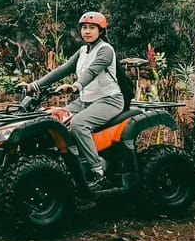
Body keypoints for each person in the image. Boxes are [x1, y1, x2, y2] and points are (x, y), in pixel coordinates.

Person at [17, 11, 123, 190]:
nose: (87, 31)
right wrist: (33, 85)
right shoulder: (83, 50)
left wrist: (75, 87)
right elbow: (62, 70)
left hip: (109, 100)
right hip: (85, 101)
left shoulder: (105, 50)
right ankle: (69, 162)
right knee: (55, 118)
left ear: (101, 31)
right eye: (84, 27)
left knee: (78, 124)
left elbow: (92, 72)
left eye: (92, 28)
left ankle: (97, 172)